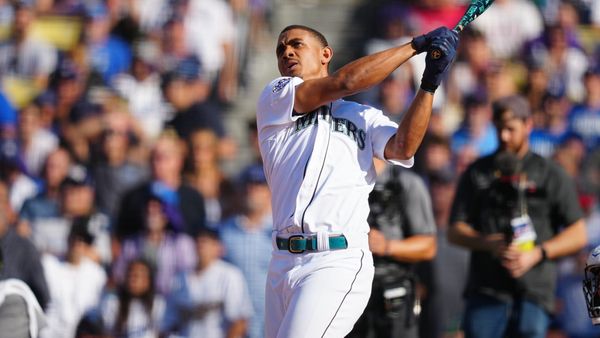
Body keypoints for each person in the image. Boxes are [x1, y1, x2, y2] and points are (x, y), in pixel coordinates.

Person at [256, 24, 458, 337]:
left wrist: (429, 83)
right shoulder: (275, 97)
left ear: (326, 54)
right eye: (281, 49)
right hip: (281, 261)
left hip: (335, 260)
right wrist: (414, 46)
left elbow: (403, 148)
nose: (287, 52)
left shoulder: (363, 115)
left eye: (296, 44)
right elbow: (346, 81)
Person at [447, 94, 588, 338]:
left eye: (511, 129)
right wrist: (487, 242)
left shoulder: (550, 174)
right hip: (486, 290)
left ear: (528, 125)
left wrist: (537, 253)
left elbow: (578, 234)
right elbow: (454, 230)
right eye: (499, 129)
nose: (504, 137)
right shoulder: (477, 172)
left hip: (534, 291)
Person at [347, 159, 436, 338]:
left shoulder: (406, 183)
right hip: (348, 292)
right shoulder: (343, 182)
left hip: (393, 296)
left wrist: (387, 246)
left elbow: (429, 246)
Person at [162, 226, 253, 338]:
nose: (201, 245)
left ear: (219, 247)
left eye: (206, 241)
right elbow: (167, 322)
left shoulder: (230, 275)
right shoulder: (180, 278)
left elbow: (240, 321)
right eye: (198, 241)